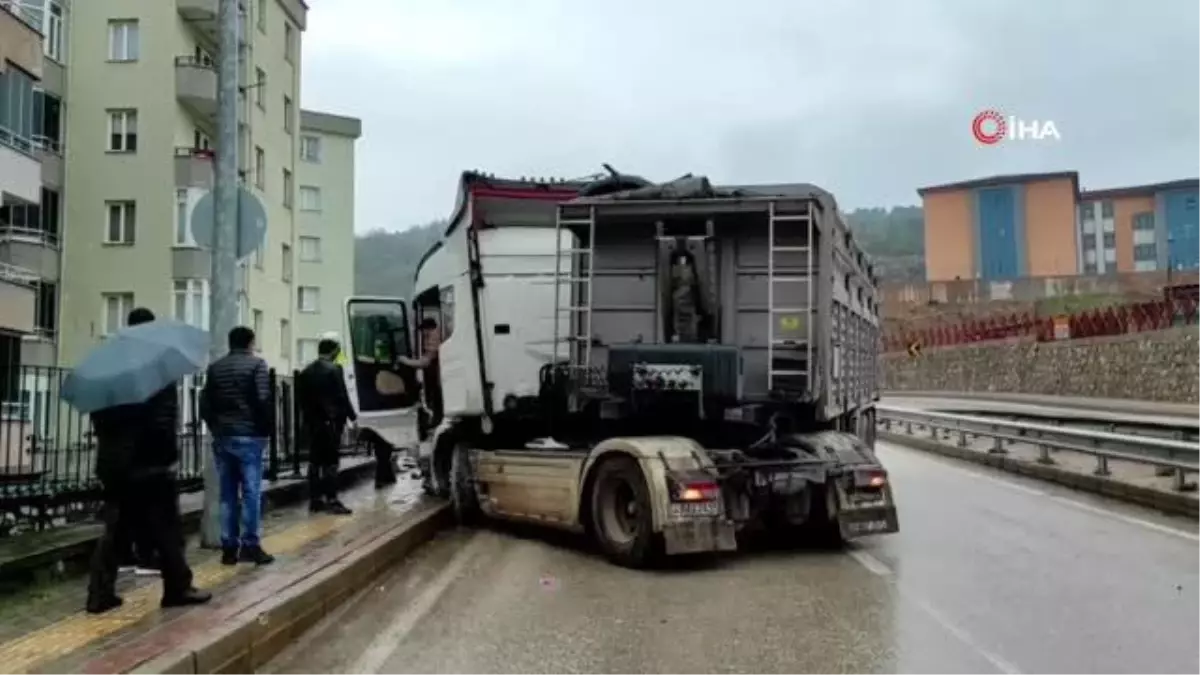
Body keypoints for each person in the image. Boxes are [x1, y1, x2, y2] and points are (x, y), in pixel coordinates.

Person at [86, 307, 211, 614]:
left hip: (114, 463)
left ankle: (99, 594)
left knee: (117, 529)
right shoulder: (156, 368)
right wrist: (167, 457)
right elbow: (161, 421)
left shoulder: (106, 367)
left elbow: (98, 417)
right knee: (167, 529)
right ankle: (177, 588)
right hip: (149, 464)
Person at [200, 326, 275, 567]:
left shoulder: (215, 368)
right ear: (251, 342)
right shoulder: (257, 365)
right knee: (251, 493)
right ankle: (251, 545)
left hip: (223, 437)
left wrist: (216, 428)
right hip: (250, 436)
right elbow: (263, 399)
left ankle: (229, 547)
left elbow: (205, 403)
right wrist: (265, 429)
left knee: (227, 494)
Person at [298, 338, 357, 514]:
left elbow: (301, 400)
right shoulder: (334, 370)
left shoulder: (306, 371)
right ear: (333, 351)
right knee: (331, 461)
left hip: (313, 423)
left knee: (315, 460)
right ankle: (332, 499)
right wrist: (352, 417)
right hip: (331, 422)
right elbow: (342, 396)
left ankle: (315, 499)